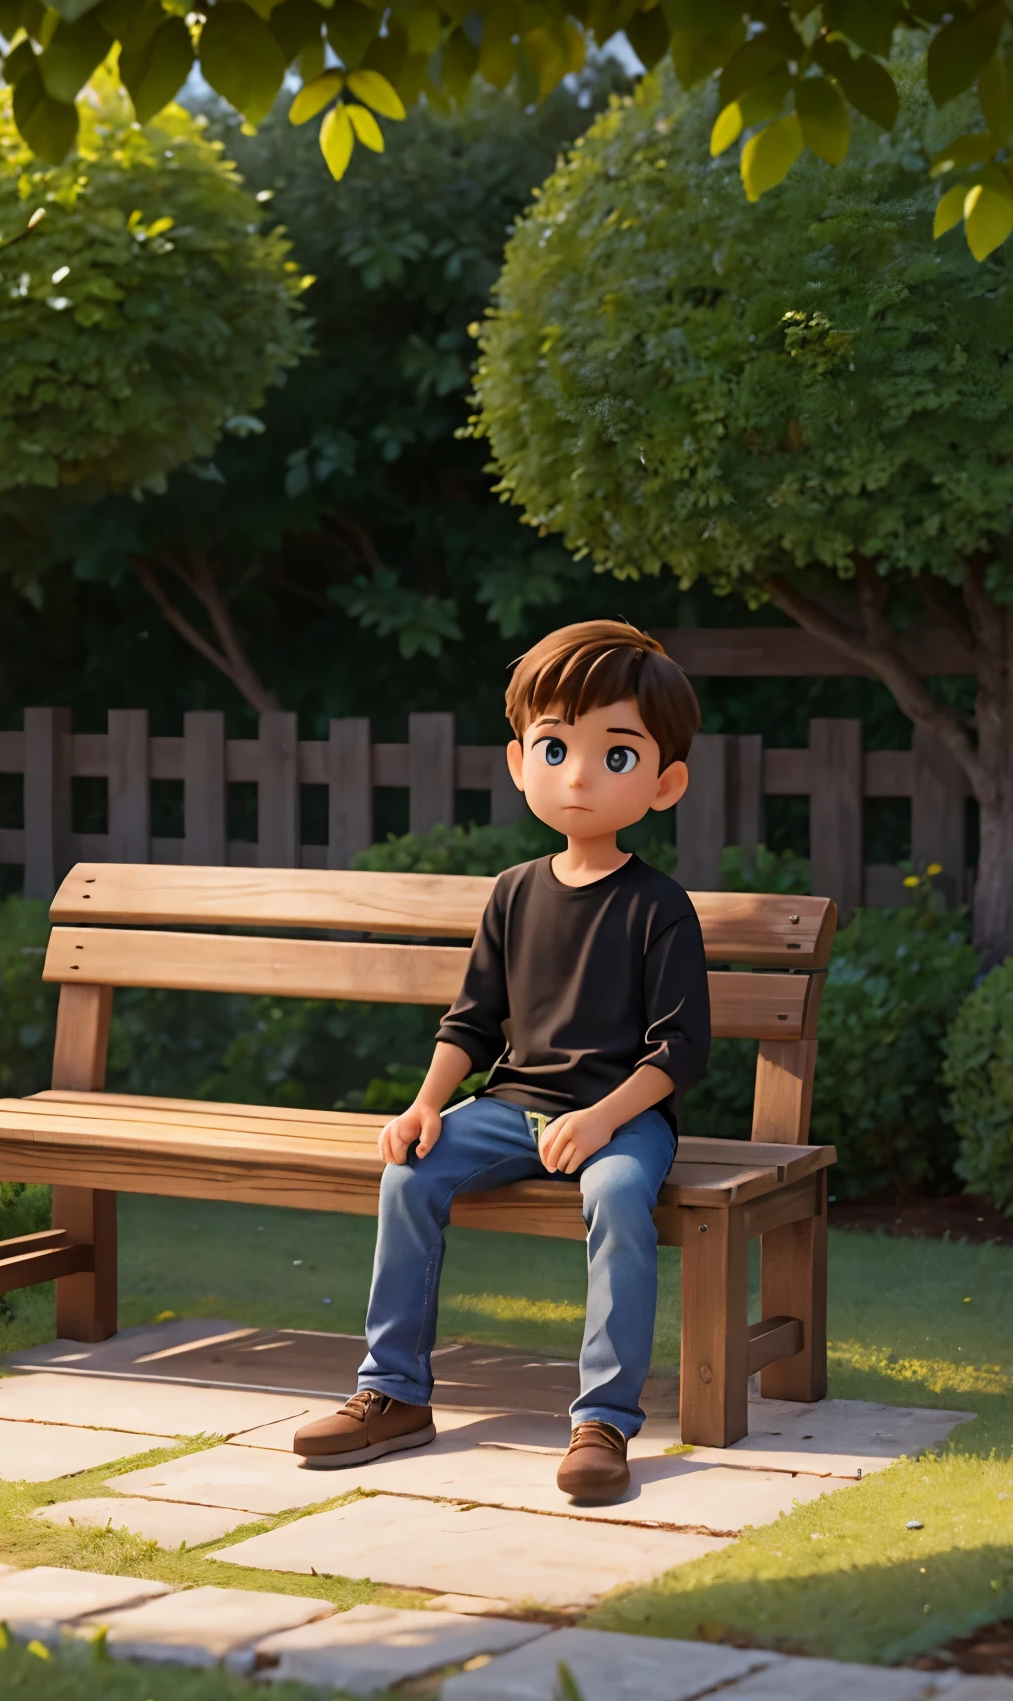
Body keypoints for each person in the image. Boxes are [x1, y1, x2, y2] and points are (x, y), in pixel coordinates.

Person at [291, 620, 712, 1502]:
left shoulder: (659, 908)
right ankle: (392, 1392)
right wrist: (424, 1106)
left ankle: (604, 1422)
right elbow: (473, 1022)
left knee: (619, 1194)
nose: (580, 775)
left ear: (665, 782)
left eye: (617, 755)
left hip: (621, 1119)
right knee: (410, 1173)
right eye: (555, 747)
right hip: (511, 1107)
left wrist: (602, 1120)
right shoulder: (515, 892)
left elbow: (680, 1049)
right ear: (521, 761)